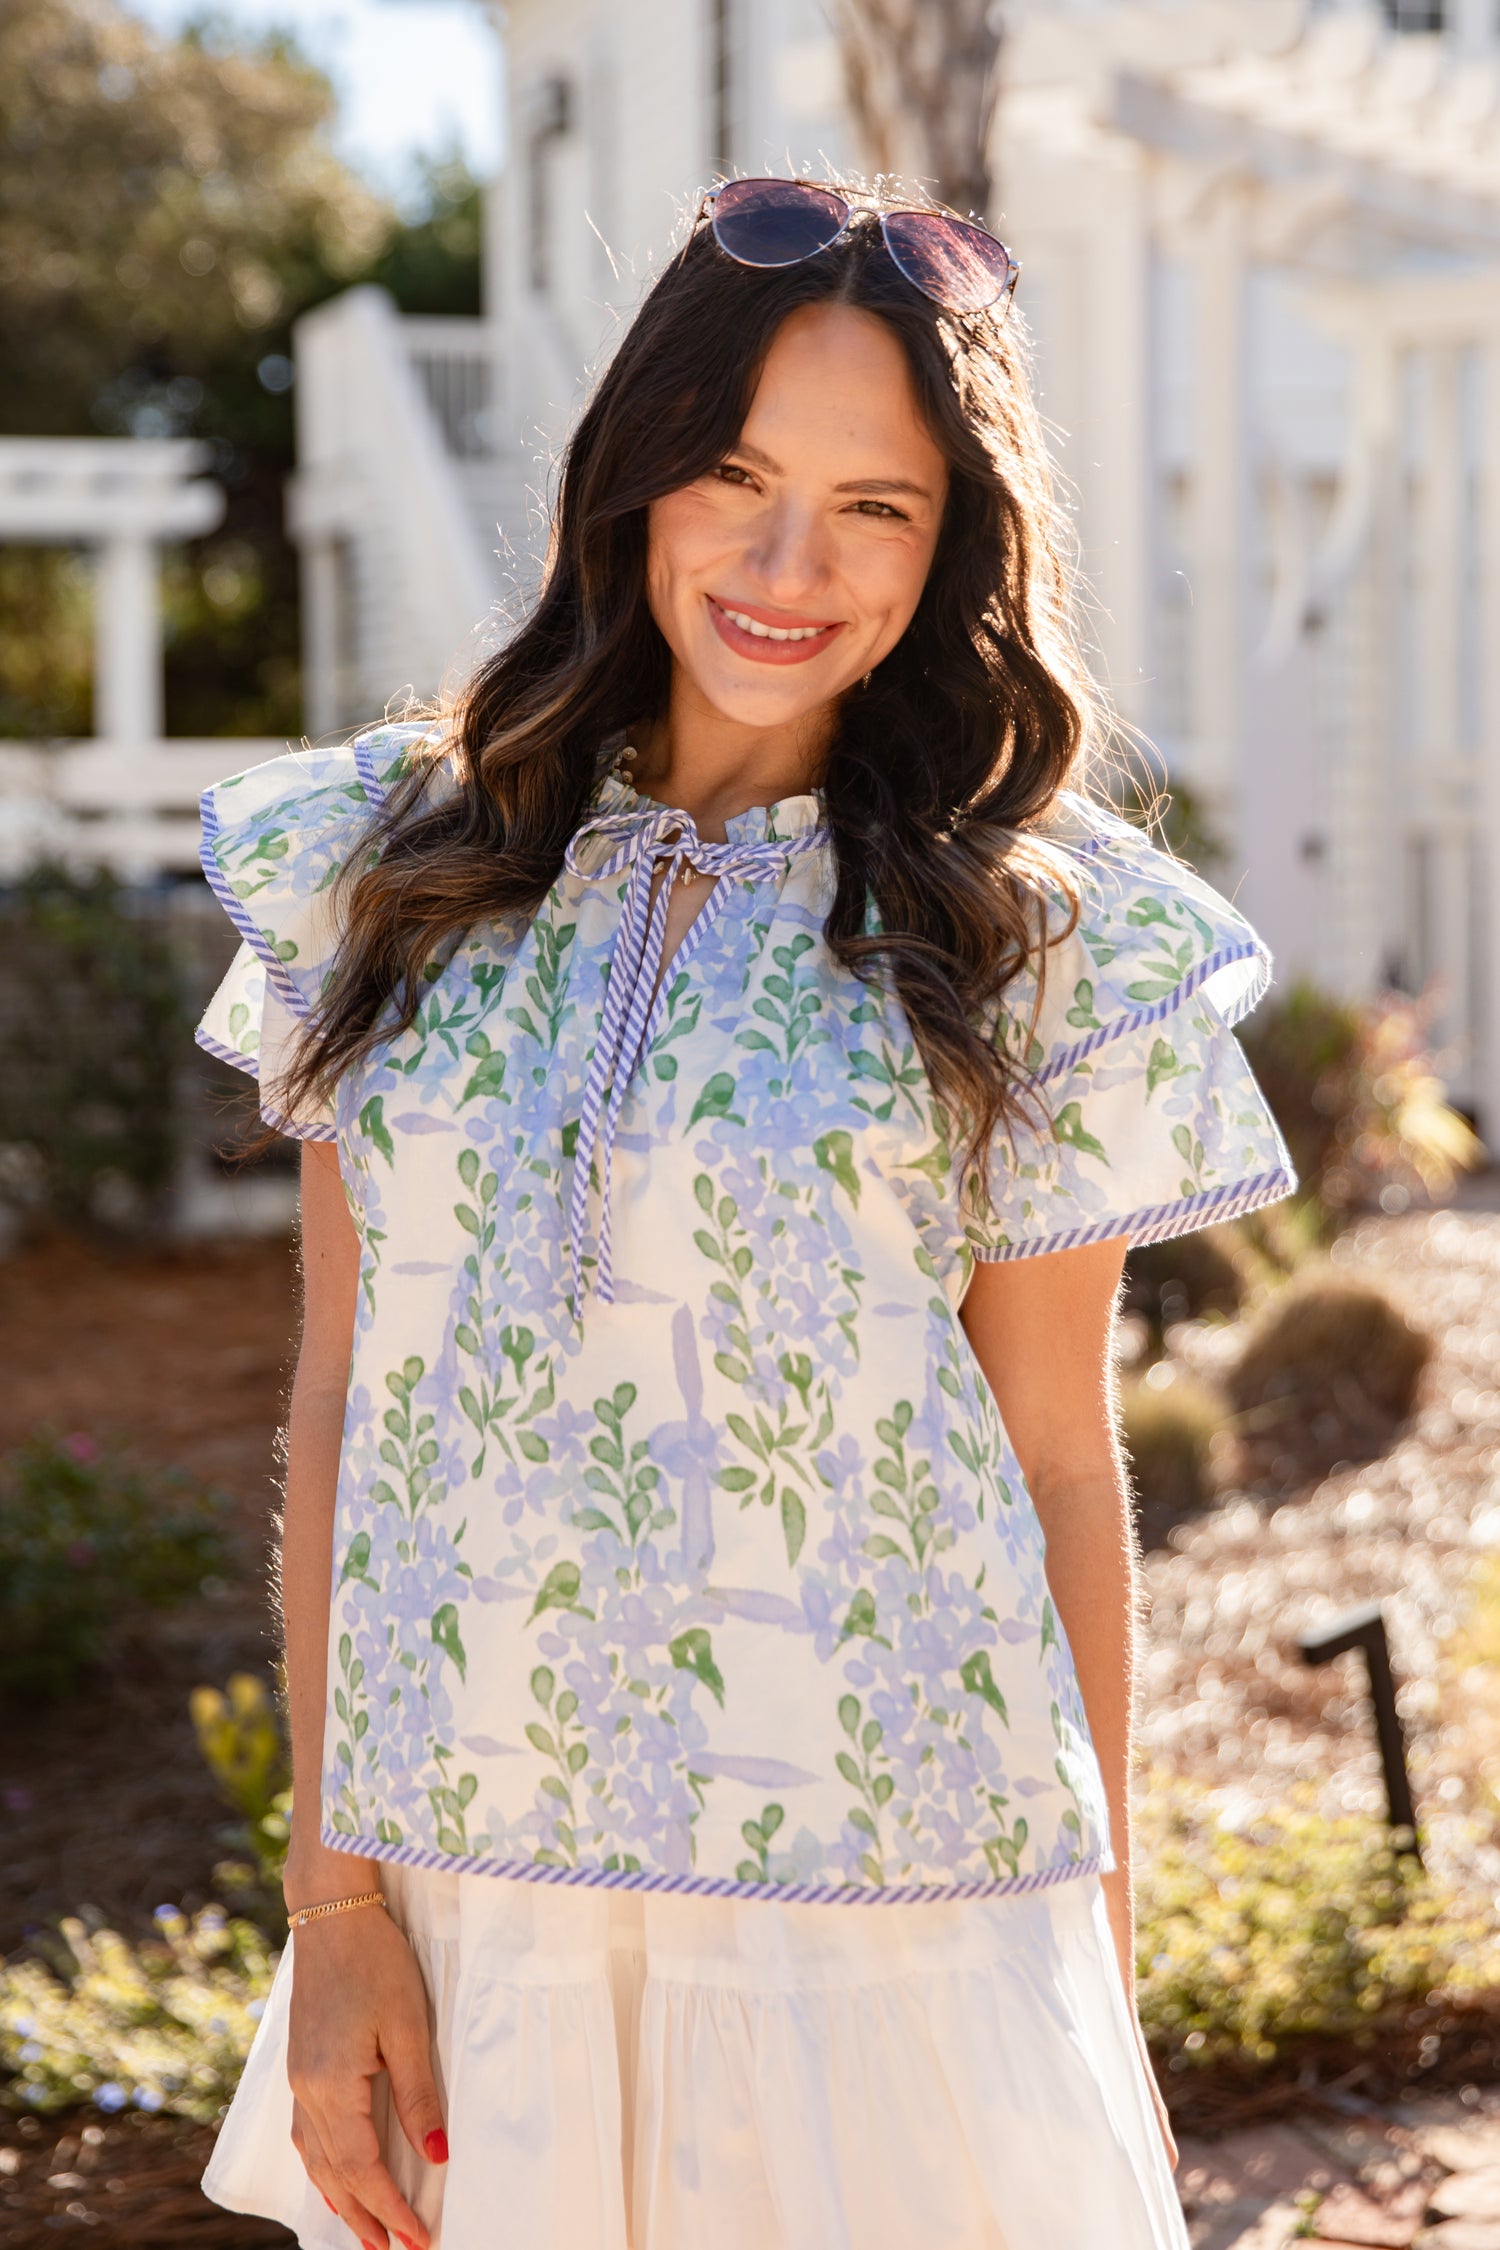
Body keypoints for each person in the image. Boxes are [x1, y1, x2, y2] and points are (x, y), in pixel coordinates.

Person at [197, 175, 1293, 2250]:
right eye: (736, 475)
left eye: (878, 505)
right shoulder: (386, 879)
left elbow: (1061, 1462)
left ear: (954, 538)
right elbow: (346, 1398)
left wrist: (1098, 1989)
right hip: (470, 1898)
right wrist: (331, 1906)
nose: (795, 566)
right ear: (635, 477)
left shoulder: (1026, 935)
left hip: (890, 1915)